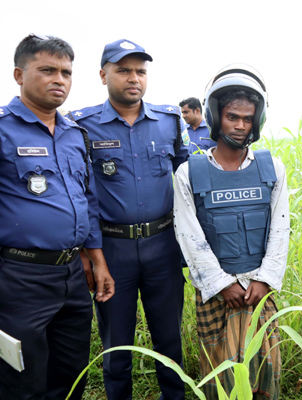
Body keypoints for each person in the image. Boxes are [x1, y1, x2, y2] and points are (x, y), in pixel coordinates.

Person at [0, 34, 114, 399]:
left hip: (71, 277)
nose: (59, 79)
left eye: (66, 72)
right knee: (22, 386)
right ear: (19, 74)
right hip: (16, 279)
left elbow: (86, 201)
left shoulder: (75, 134)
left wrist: (96, 259)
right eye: (47, 70)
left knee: (70, 379)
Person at [68, 39, 189, 400]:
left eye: (140, 71)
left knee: (169, 340)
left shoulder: (169, 121)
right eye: (123, 70)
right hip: (112, 250)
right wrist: (88, 254)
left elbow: (185, 181)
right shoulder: (82, 125)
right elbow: (80, 194)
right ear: (103, 75)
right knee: (115, 345)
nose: (133, 78)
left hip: (163, 246)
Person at [173, 64, 288, 399]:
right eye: (232, 117)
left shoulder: (271, 167)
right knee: (219, 373)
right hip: (217, 291)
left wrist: (264, 279)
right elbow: (189, 233)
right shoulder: (189, 172)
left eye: (247, 119)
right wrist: (222, 284)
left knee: (263, 367)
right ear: (215, 116)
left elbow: (281, 228)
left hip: (259, 288)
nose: (240, 126)